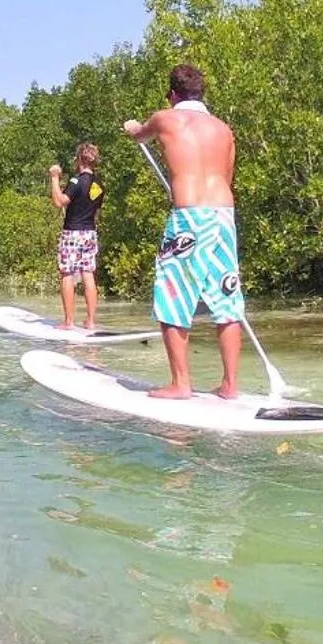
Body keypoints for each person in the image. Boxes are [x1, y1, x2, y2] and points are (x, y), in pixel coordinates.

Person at [123, 63, 244, 399]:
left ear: (173, 94)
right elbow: (228, 174)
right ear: (201, 93)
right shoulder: (224, 129)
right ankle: (231, 385)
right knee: (226, 293)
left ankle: (181, 383)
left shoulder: (166, 118)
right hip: (223, 213)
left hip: (189, 215)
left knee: (173, 291)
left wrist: (133, 127)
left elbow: (139, 133)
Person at [47, 142, 105, 330]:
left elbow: (59, 202)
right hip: (90, 232)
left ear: (79, 159)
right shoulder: (99, 185)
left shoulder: (76, 181)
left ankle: (69, 321)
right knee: (88, 273)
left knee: (67, 274)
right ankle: (90, 321)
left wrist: (55, 178)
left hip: (72, 232)